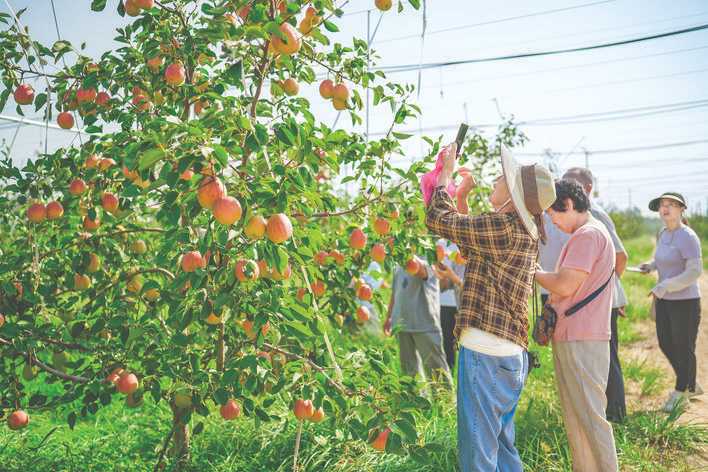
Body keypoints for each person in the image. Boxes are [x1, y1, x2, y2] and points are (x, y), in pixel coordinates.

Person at [425, 142, 556, 471]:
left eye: (501, 179)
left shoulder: (504, 228)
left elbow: (439, 220)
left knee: (478, 455)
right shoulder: (518, 230)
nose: (495, 181)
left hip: (485, 352)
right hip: (507, 355)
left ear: (512, 196)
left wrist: (445, 176)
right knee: (500, 446)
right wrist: (462, 198)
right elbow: (472, 245)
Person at [535, 179, 619, 472]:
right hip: (575, 335)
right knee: (577, 419)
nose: (551, 220)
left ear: (569, 204)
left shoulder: (587, 235)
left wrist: (532, 271)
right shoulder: (590, 234)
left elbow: (565, 284)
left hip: (582, 337)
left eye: (552, 213)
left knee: (591, 419)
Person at [540, 166, 629, 422]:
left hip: (589, 300)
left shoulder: (593, 221)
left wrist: (604, 290)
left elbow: (619, 257)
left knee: (605, 362)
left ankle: (615, 414)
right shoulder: (556, 218)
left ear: (582, 192)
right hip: (560, 294)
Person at [639, 192, 703, 412]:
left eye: (671, 205)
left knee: (683, 347)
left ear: (681, 209)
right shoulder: (663, 233)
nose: (665, 209)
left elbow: (694, 271)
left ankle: (680, 391)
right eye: (662, 205)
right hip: (664, 299)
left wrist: (665, 286)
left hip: (686, 301)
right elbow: (661, 259)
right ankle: (690, 382)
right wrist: (650, 266)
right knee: (666, 343)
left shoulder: (688, 236)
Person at [383, 255, 452, 388]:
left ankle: (445, 402)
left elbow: (419, 270)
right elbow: (395, 291)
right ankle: (415, 403)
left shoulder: (428, 261)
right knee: (409, 371)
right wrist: (389, 316)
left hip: (424, 325)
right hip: (402, 324)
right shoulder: (398, 263)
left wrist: (404, 249)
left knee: (436, 370)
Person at [435, 238, 466, 371]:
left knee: (463, 344)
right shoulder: (440, 244)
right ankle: (449, 374)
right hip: (444, 301)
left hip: (462, 302)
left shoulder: (468, 242)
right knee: (447, 343)